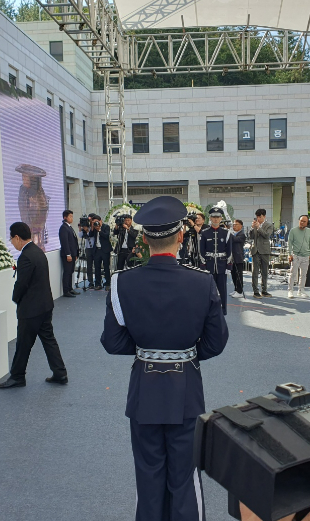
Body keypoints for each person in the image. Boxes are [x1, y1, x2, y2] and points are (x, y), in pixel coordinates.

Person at [100, 196, 228, 521]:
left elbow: (112, 342)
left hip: (143, 391)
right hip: (185, 390)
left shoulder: (121, 282)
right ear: (182, 235)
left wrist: (147, 349)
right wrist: (183, 352)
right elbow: (216, 342)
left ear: (144, 239)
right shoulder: (202, 282)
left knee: (149, 478)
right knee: (185, 479)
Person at [0, 222, 68, 389]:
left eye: (11, 238)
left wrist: (15, 298)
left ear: (17, 237)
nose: (12, 242)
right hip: (45, 305)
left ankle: (17, 377)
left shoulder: (25, 256)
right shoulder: (37, 252)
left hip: (31, 309)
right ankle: (60, 372)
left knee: (23, 344)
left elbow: (22, 284)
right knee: (48, 339)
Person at [200, 207, 233, 315]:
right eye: (213, 217)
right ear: (210, 218)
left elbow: (229, 250)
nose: (215, 219)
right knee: (208, 288)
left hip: (221, 264)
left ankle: (223, 309)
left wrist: (229, 266)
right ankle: (208, 309)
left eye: (217, 217)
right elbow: (201, 250)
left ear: (221, 218)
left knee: (222, 288)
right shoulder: (204, 233)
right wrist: (203, 264)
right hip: (209, 264)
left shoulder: (226, 233)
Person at [287, 214, 310, 298]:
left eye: (304, 221)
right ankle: (290, 290)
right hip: (296, 255)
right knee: (293, 273)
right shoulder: (293, 231)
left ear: (307, 223)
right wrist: (289, 254)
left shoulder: (309, 231)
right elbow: (290, 243)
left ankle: (301, 290)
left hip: (306, 256)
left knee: (303, 274)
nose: (302, 223)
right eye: (301, 221)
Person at [250, 208, 274, 298]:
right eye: (257, 217)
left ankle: (264, 290)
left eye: (260, 217)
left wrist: (258, 228)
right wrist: (252, 228)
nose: (258, 219)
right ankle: (255, 291)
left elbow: (266, 235)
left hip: (264, 250)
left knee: (264, 271)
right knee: (255, 272)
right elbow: (251, 236)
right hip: (255, 250)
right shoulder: (255, 225)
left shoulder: (269, 225)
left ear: (264, 216)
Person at [59, 210, 80, 298]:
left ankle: (70, 288)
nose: (72, 218)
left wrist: (75, 254)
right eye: (70, 216)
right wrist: (68, 254)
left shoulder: (69, 227)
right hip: (67, 254)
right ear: (65, 217)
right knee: (67, 272)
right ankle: (66, 290)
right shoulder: (63, 228)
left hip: (73, 254)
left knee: (71, 271)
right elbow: (65, 242)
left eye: (72, 216)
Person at [93, 215, 112, 291]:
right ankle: (98, 284)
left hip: (105, 250)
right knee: (97, 267)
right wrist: (92, 227)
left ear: (100, 221)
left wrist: (99, 230)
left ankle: (108, 283)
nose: (96, 223)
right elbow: (90, 235)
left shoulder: (106, 227)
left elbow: (106, 236)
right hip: (97, 250)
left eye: (97, 221)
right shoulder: (94, 228)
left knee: (106, 267)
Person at [78, 214, 97, 289]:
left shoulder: (94, 227)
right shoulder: (84, 228)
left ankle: (97, 280)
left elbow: (91, 234)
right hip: (88, 249)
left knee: (96, 265)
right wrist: (80, 228)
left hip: (94, 248)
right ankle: (90, 281)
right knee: (89, 265)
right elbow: (80, 236)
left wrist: (88, 229)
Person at [230, 219, 246, 298]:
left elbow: (235, 239)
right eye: (233, 224)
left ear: (241, 226)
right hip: (232, 257)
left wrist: (228, 232)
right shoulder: (233, 234)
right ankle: (236, 289)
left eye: (236, 224)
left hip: (238, 257)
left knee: (239, 275)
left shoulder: (242, 234)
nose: (234, 226)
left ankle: (240, 291)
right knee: (233, 274)